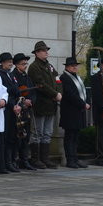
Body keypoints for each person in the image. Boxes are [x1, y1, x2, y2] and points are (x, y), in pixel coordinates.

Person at [27, 40, 60, 169]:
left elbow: (58, 80)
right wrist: (54, 94)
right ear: (36, 53)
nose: (46, 52)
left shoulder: (49, 66)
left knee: (47, 132)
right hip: (40, 104)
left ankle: (45, 158)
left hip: (51, 104)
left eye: (46, 50)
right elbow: (40, 85)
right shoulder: (34, 67)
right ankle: (36, 159)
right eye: (43, 50)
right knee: (37, 132)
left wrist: (59, 93)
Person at [59, 56, 89, 169]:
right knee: (70, 136)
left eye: (76, 66)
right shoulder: (64, 78)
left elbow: (83, 91)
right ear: (67, 67)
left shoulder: (77, 77)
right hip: (70, 112)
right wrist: (82, 104)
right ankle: (70, 160)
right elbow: (70, 94)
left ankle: (75, 158)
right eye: (72, 66)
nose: (75, 67)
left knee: (76, 136)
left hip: (78, 111)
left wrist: (86, 101)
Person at [0, 52, 22, 172]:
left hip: (15, 108)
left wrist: (19, 104)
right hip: (7, 109)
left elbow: (16, 90)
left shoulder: (10, 75)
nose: (10, 63)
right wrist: (13, 105)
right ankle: (7, 162)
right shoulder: (0, 75)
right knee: (7, 136)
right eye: (8, 62)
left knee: (14, 136)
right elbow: (5, 92)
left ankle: (13, 160)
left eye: (11, 61)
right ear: (2, 63)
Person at [12, 53, 37, 170]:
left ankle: (25, 159)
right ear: (17, 65)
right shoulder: (14, 76)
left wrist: (30, 100)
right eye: (23, 64)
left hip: (27, 110)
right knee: (19, 136)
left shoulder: (27, 77)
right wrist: (22, 103)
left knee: (27, 136)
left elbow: (32, 92)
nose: (25, 66)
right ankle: (16, 160)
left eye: (26, 63)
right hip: (18, 110)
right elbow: (14, 93)